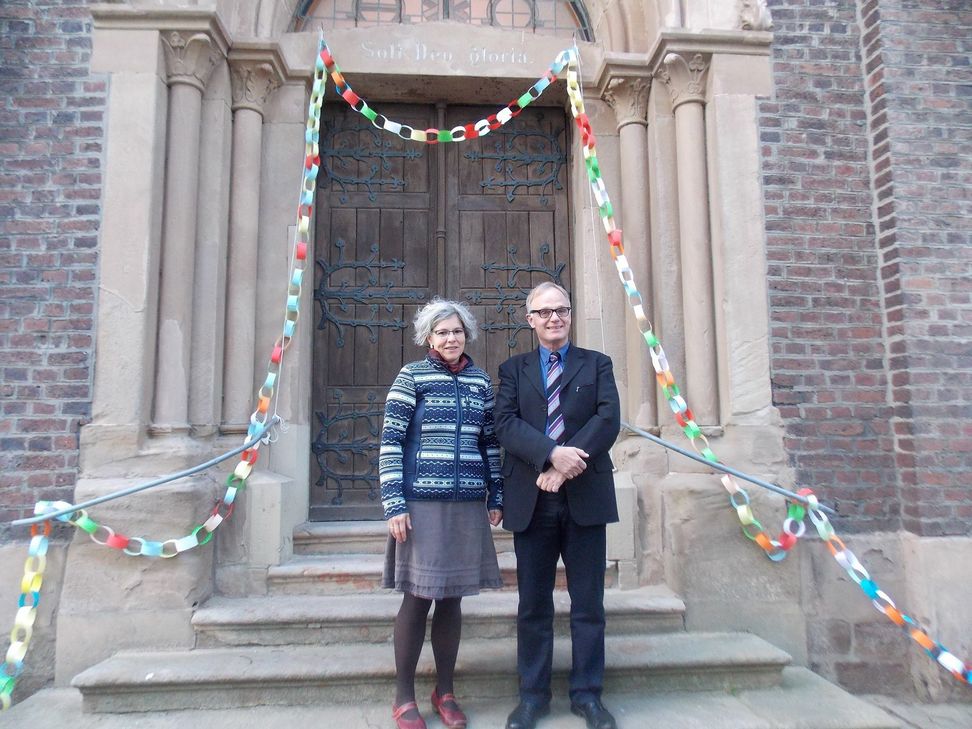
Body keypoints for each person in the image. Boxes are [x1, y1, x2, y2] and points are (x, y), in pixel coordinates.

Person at [495, 282, 621, 729]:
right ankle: (532, 696)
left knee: (588, 603)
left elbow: (608, 420)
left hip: (586, 498)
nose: (554, 318)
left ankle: (588, 696)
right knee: (533, 604)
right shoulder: (513, 369)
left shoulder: (597, 364)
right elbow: (505, 424)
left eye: (561, 310)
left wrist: (565, 467)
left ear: (570, 315)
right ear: (530, 320)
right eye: (544, 312)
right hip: (532, 501)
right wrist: (551, 453)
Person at [380, 298, 505, 729]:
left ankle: (445, 690)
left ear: (466, 335)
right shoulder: (411, 376)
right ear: (428, 338)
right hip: (421, 505)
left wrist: (496, 495)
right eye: (442, 332)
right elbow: (391, 442)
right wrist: (394, 504)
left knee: (452, 600)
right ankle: (403, 695)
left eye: (457, 331)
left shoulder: (479, 381)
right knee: (417, 600)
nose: (451, 339)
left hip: (466, 504)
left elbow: (490, 442)